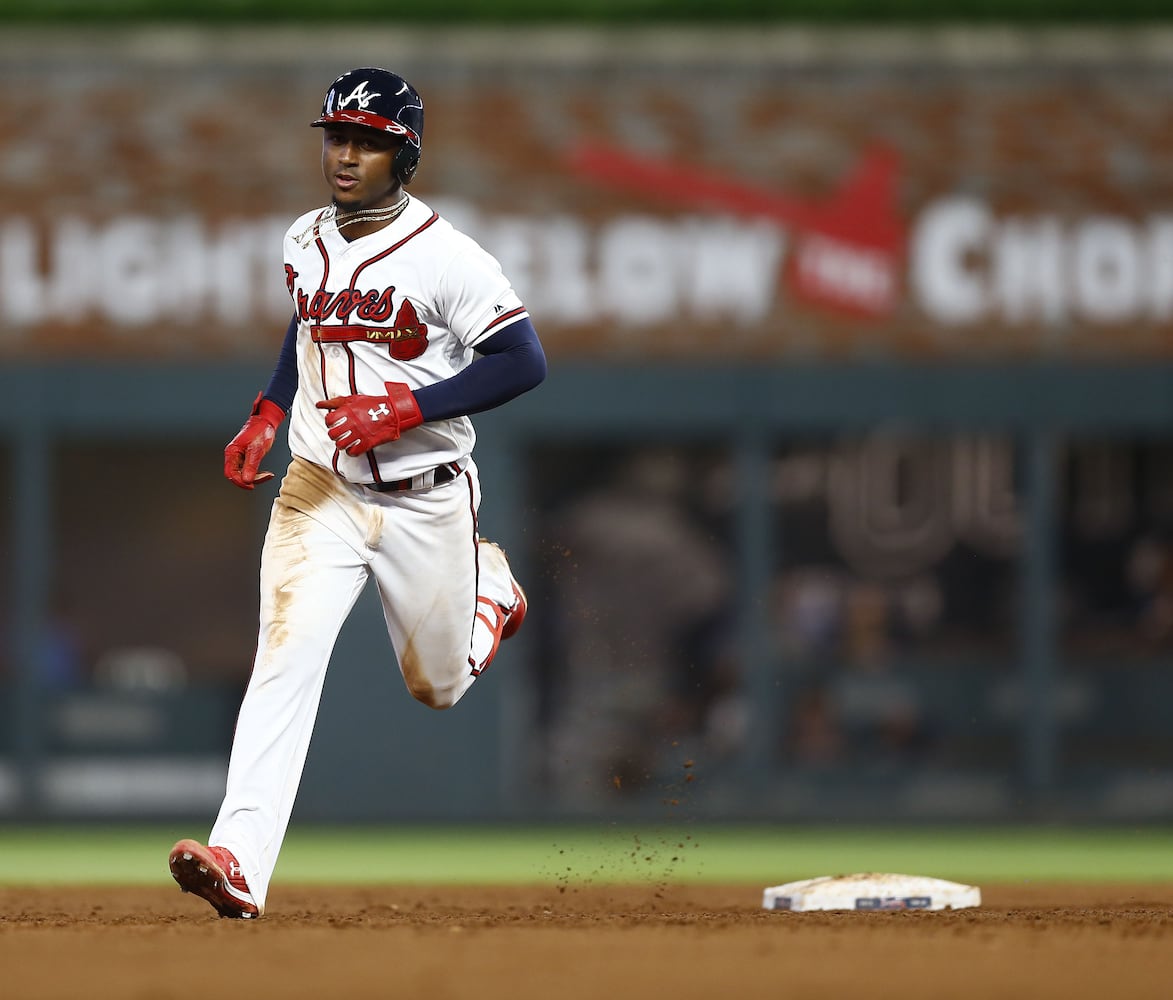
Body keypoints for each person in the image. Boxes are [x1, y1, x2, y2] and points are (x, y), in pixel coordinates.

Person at [168, 67, 547, 919]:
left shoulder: (448, 257)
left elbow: (524, 359)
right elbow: (308, 320)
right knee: (284, 660)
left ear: (402, 153)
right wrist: (268, 410)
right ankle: (238, 860)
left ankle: (492, 595)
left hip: (424, 493)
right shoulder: (304, 237)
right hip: (319, 488)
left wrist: (407, 406)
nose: (345, 155)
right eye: (337, 137)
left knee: (439, 686)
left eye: (366, 142)